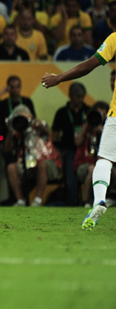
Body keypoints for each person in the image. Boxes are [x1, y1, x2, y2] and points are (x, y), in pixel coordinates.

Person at [42, 31, 116, 229]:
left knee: (105, 161)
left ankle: (99, 200)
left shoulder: (115, 39)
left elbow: (88, 65)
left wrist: (59, 78)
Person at [4, 105, 60, 207]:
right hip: (29, 165)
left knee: (42, 164)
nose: (22, 121)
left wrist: (31, 120)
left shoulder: (38, 124)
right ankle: (20, 201)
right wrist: (11, 127)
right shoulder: (18, 131)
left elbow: (45, 130)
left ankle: (37, 200)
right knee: (11, 167)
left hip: (48, 163)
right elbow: (8, 148)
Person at [52, 82, 90, 206]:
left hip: (86, 151)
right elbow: (55, 135)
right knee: (70, 178)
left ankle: (88, 201)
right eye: (77, 97)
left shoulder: (89, 112)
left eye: (82, 97)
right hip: (69, 151)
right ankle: (73, 201)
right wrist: (59, 152)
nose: (80, 100)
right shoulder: (62, 113)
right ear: (71, 96)